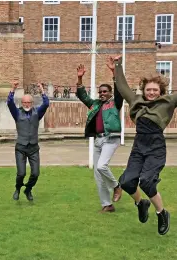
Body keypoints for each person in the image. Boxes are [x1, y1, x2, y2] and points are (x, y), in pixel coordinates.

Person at [113, 55, 177, 235]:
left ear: (161, 90)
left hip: (156, 146)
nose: (151, 92)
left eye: (155, 90)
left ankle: (161, 213)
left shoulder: (168, 102)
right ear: (144, 90)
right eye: (148, 89)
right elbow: (122, 87)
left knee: (147, 182)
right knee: (126, 182)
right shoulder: (136, 101)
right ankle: (141, 203)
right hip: (139, 145)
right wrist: (118, 65)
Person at [75, 58, 123, 213]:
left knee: (102, 166)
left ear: (109, 93)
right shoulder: (95, 104)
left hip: (111, 138)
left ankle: (116, 186)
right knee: (98, 174)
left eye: (105, 92)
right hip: (98, 140)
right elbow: (83, 96)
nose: (102, 94)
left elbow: (119, 90)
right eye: (100, 92)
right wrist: (80, 78)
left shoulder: (115, 103)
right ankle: (107, 205)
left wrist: (114, 73)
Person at [7, 81, 50, 201]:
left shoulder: (37, 113)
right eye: (24, 102)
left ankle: (28, 189)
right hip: (21, 147)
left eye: (29, 102)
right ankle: (17, 188)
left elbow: (46, 103)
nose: (26, 104)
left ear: (32, 103)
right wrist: (13, 89)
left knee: (35, 173)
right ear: (22, 103)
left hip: (33, 148)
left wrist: (42, 90)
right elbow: (9, 103)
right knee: (21, 173)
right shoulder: (17, 113)